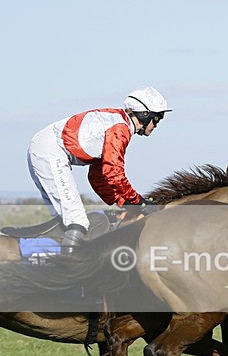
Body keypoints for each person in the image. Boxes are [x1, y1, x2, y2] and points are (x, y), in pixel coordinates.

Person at [27, 87, 171, 252]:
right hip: (50, 152)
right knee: (77, 220)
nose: (156, 125)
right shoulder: (120, 129)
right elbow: (114, 173)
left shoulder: (119, 123)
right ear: (145, 114)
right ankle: (68, 270)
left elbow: (98, 177)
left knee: (64, 222)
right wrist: (138, 201)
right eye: (157, 119)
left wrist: (125, 202)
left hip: (44, 148)